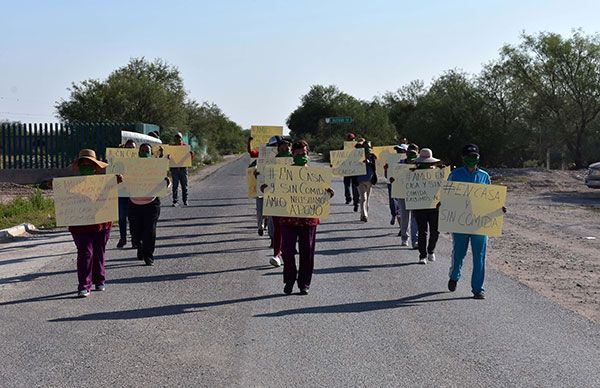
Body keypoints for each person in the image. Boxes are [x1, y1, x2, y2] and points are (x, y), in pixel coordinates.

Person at [447, 144, 506, 299]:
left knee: (479, 256)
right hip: (460, 223)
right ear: (463, 157)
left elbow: (490, 198)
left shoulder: (484, 176)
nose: (472, 159)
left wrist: (499, 209)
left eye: (474, 156)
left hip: (480, 224)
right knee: (459, 254)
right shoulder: (455, 174)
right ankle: (454, 275)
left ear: (478, 157)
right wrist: (443, 204)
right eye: (469, 156)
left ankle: (478, 289)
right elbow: (447, 196)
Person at [278, 140, 334, 295]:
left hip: (308, 219)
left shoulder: (317, 175)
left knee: (307, 252)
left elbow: (323, 193)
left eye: (303, 153)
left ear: (308, 153)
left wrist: (329, 193)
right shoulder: (283, 173)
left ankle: (304, 283)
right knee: (287, 251)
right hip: (288, 218)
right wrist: (267, 189)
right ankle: (290, 279)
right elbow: (274, 190)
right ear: (292, 155)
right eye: (297, 154)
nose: (301, 156)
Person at [68, 149, 121, 298]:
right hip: (80, 225)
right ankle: (84, 285)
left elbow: (109, 197)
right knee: (85, 253)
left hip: (101, 223)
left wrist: (115, 182)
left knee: (99, 251)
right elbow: (66, 203)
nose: (86, 166)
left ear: (95, 166)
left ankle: (99, 279)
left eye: (89, 163)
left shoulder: (104, 182)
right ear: (79, 166)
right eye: (83, 164)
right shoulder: (69, 185)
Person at [128, 143, 171, 266]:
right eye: (142, 150)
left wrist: (167, 183)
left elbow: (165, 181)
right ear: (138, 152)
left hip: (151, 203)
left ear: (151, 153)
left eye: (147, 150)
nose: (144, 152)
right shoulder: (131, 166)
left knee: (149, 230)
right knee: (135, 232)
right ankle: (139, 246)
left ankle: (148, 255)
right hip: (134, 203)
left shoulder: (156, 166)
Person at [411, 148, 443, 265]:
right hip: (419, 206)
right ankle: (422, 255)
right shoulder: (413, 173)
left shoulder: (438, 173)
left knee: (435, 231)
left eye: (427, 162)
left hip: (435, 206)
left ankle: (431, 250)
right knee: (422, 231)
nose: (425, 164)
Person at [268, 138, 293, 267]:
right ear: (278, 149)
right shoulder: (270, 163)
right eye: (282, 149)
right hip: (277, 199)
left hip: (293, 200)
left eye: (287, 148)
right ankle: (277, 255)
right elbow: (264, 180)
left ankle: (287, 252)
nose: (285, 151)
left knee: (290, 229)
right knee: (278, 227)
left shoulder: (297, 162)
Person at [389, 144, 419, 247]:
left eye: (414, 153)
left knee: (415, 218)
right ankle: (404, 238)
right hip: (402, 194)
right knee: (404, 217)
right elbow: (391, 177)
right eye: (410, 153)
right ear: (406, 153)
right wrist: (391, 178)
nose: (411, 155)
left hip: (416, 195)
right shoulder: (399, 165)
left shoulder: (420, 164)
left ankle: (415, 241)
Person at [116, 139, 136, 248]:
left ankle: (134, 239)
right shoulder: (118, 161)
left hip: (135, 193)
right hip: (122, 192)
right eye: (128, 148)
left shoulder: (140, 161)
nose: (130, 150)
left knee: (133, 217)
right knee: (122, 217)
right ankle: (123, 238)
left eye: (132, 148)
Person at [384, 142, 407, 226]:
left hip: (404, 185)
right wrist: (386, 170)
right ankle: (394, 215)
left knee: (401, 206)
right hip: (392, 184)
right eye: (397, 151)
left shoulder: (410, 162)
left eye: (401, 151)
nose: (398, 153)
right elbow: (387, 176)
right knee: (393, 203)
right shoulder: (391, 159)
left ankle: (402, 226)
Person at [355, 141, 377, 222]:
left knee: (367, 199)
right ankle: (365, 215)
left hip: (369, 180)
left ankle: (363, 214)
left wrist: (369, 162)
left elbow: (377, 166)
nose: (368, 148)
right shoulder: (357, 156)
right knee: (363, 198)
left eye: (369, 147)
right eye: (366, 147)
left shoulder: (372, 156)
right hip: (360, 180)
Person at [170, 132, 194, 207]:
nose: (178, 139)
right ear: (175, 139)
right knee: (175, 186)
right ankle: (175, 201)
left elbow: (191, 158)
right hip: (174, 169)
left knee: (185, 186)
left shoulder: (185, 147)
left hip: (183, 169)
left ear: (181, 139)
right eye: (176, 138)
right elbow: (167, 157)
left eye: (179, 138)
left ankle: (185, 200)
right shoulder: (171, 148)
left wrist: (191, 154)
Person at [343, 133, 359, 209]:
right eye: (349, 139)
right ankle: (348, 198)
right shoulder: (344, 147)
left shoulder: (358, 146)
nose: (351, 140)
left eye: (352, 139)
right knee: (347, 185)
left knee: (355, 185)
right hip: (347, 169)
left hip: (355, 169)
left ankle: (356, 200)